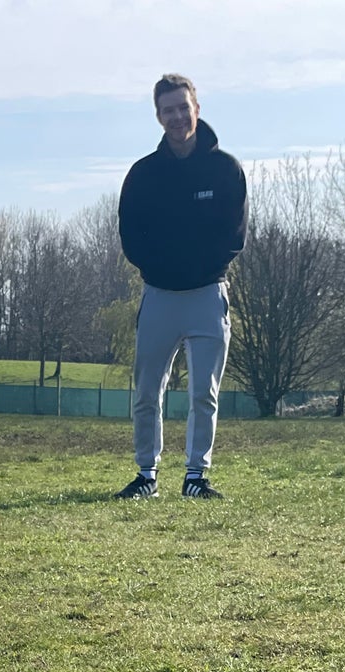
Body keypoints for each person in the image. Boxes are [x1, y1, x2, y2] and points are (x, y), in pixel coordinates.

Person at [115, 74, 248, 499]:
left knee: (203, 394)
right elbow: (131, 237)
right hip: (159, 297)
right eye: (167, 110)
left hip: (209, 296)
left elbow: (235, 236)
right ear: (158, 116)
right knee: (147, 392)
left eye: (182, 107)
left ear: (197, 107)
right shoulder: (143, 174)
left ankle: (196, 477)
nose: (176, 116)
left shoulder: (225, 169)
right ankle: (146, 476)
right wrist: (162, 271)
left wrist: (199, 270)